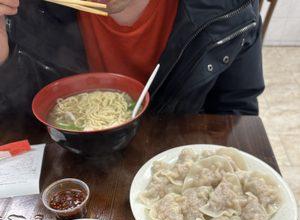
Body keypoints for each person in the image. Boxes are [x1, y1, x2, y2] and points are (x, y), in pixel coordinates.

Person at [0, 0, 264, 115]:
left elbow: (236, 110)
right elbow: (20, 119)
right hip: (70, 168)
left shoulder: (228, 7)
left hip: (178, 161)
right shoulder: (29, 7)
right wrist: (3, 57)